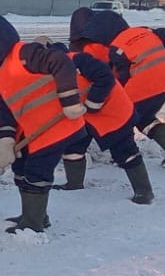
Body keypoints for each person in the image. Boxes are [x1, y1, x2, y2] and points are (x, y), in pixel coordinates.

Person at [0, 13, 87, 233]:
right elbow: (6, 109)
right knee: (20, 166)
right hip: (36, 132)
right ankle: (34, 215)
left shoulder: (25, 53)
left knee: (36, 172)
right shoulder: (0, 72)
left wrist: (70, 102)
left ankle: (33, 224)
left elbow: (61, 62)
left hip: (58, 125)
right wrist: (6, 141)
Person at [70, 6, 165, 165]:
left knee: (124, 120)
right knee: (145, 119)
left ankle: (127, 156)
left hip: (144, 87)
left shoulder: (113, 47)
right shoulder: (140, 33)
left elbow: (119, 75)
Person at [56, 32, 155, 204]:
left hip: (114, 112)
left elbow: (105, 78)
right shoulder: (52, 74)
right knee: (73, 144)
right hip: (87, 115)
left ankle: (144, 193)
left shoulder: (79, 61)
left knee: (124, 150)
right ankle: (74, 183)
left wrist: (92, 104)